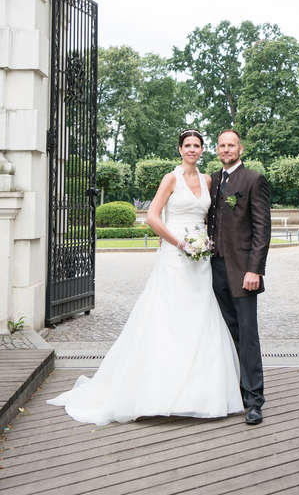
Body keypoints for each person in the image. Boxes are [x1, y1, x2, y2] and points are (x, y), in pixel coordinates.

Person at [47, 128, 243, 425]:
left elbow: (211, 217)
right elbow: (152, 216)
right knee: (167, 317)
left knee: (200, 317)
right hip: (175, 257)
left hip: (200, 260)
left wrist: (208, 243)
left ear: (203, 150)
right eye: (187, 145)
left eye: (197, 145)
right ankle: (158, 391)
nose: (192, 149)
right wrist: (180, 243)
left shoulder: (207, 180)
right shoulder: (171, 179)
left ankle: (200, 393)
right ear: (179, 149)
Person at [208, 128, 271, 426]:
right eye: (222, 145)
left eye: (231, 145)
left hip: (242, 271)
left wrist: (254, 270)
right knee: (226, 332)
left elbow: (262, 229)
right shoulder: (214, 180)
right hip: (215, 269)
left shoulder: (253, 179)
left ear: (240, 149)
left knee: (247, 335)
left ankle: (254, 399)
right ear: (217, 149)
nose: (226, 149)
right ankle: (233, 388)